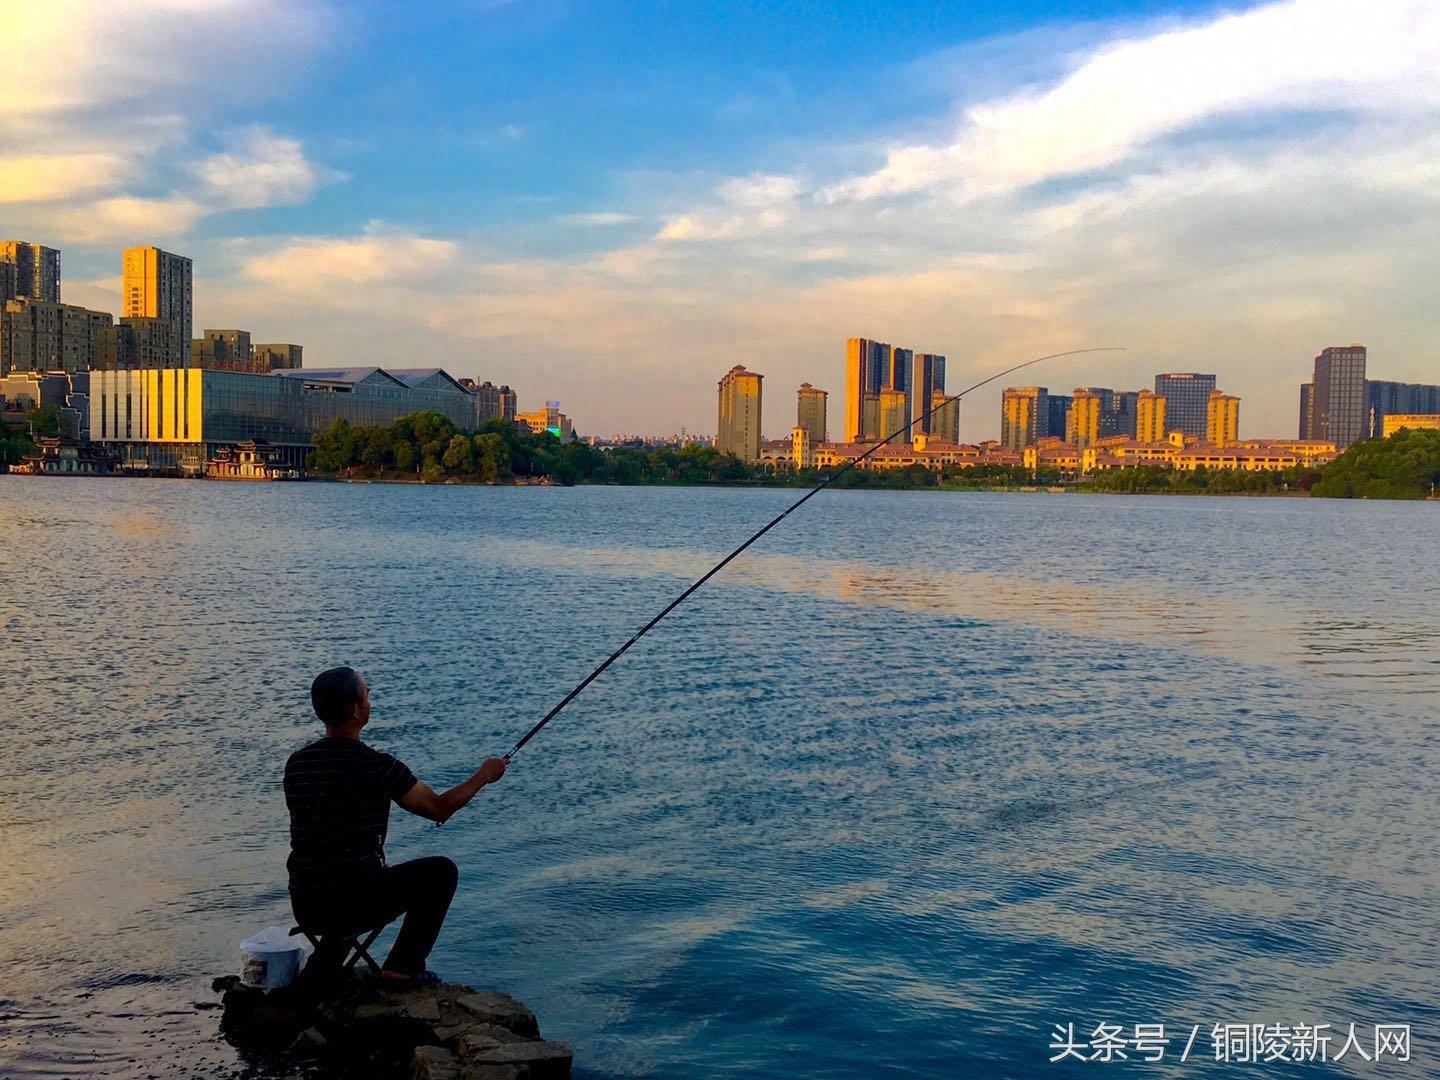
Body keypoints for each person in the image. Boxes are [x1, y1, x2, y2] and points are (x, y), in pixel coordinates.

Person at [284, 666, 508, 987]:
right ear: (355, 710)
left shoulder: (297, 764)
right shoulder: (379, 766)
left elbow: (325, 833)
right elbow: (439, 808)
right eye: (367, 694)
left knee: (345, 875)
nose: (370, 701)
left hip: (307, 904)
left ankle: (325, 965)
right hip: (353, 904)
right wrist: (483, 775)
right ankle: (403, 966)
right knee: (441, 872)